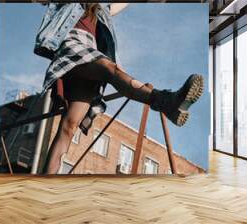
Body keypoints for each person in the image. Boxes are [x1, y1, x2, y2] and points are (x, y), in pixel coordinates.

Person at [34, 3, 204, 174]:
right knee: (110, 68)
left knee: (69, 125)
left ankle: (48, 180)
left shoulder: (101, 9)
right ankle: (166, 101)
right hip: (71, 46)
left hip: (91, 53)